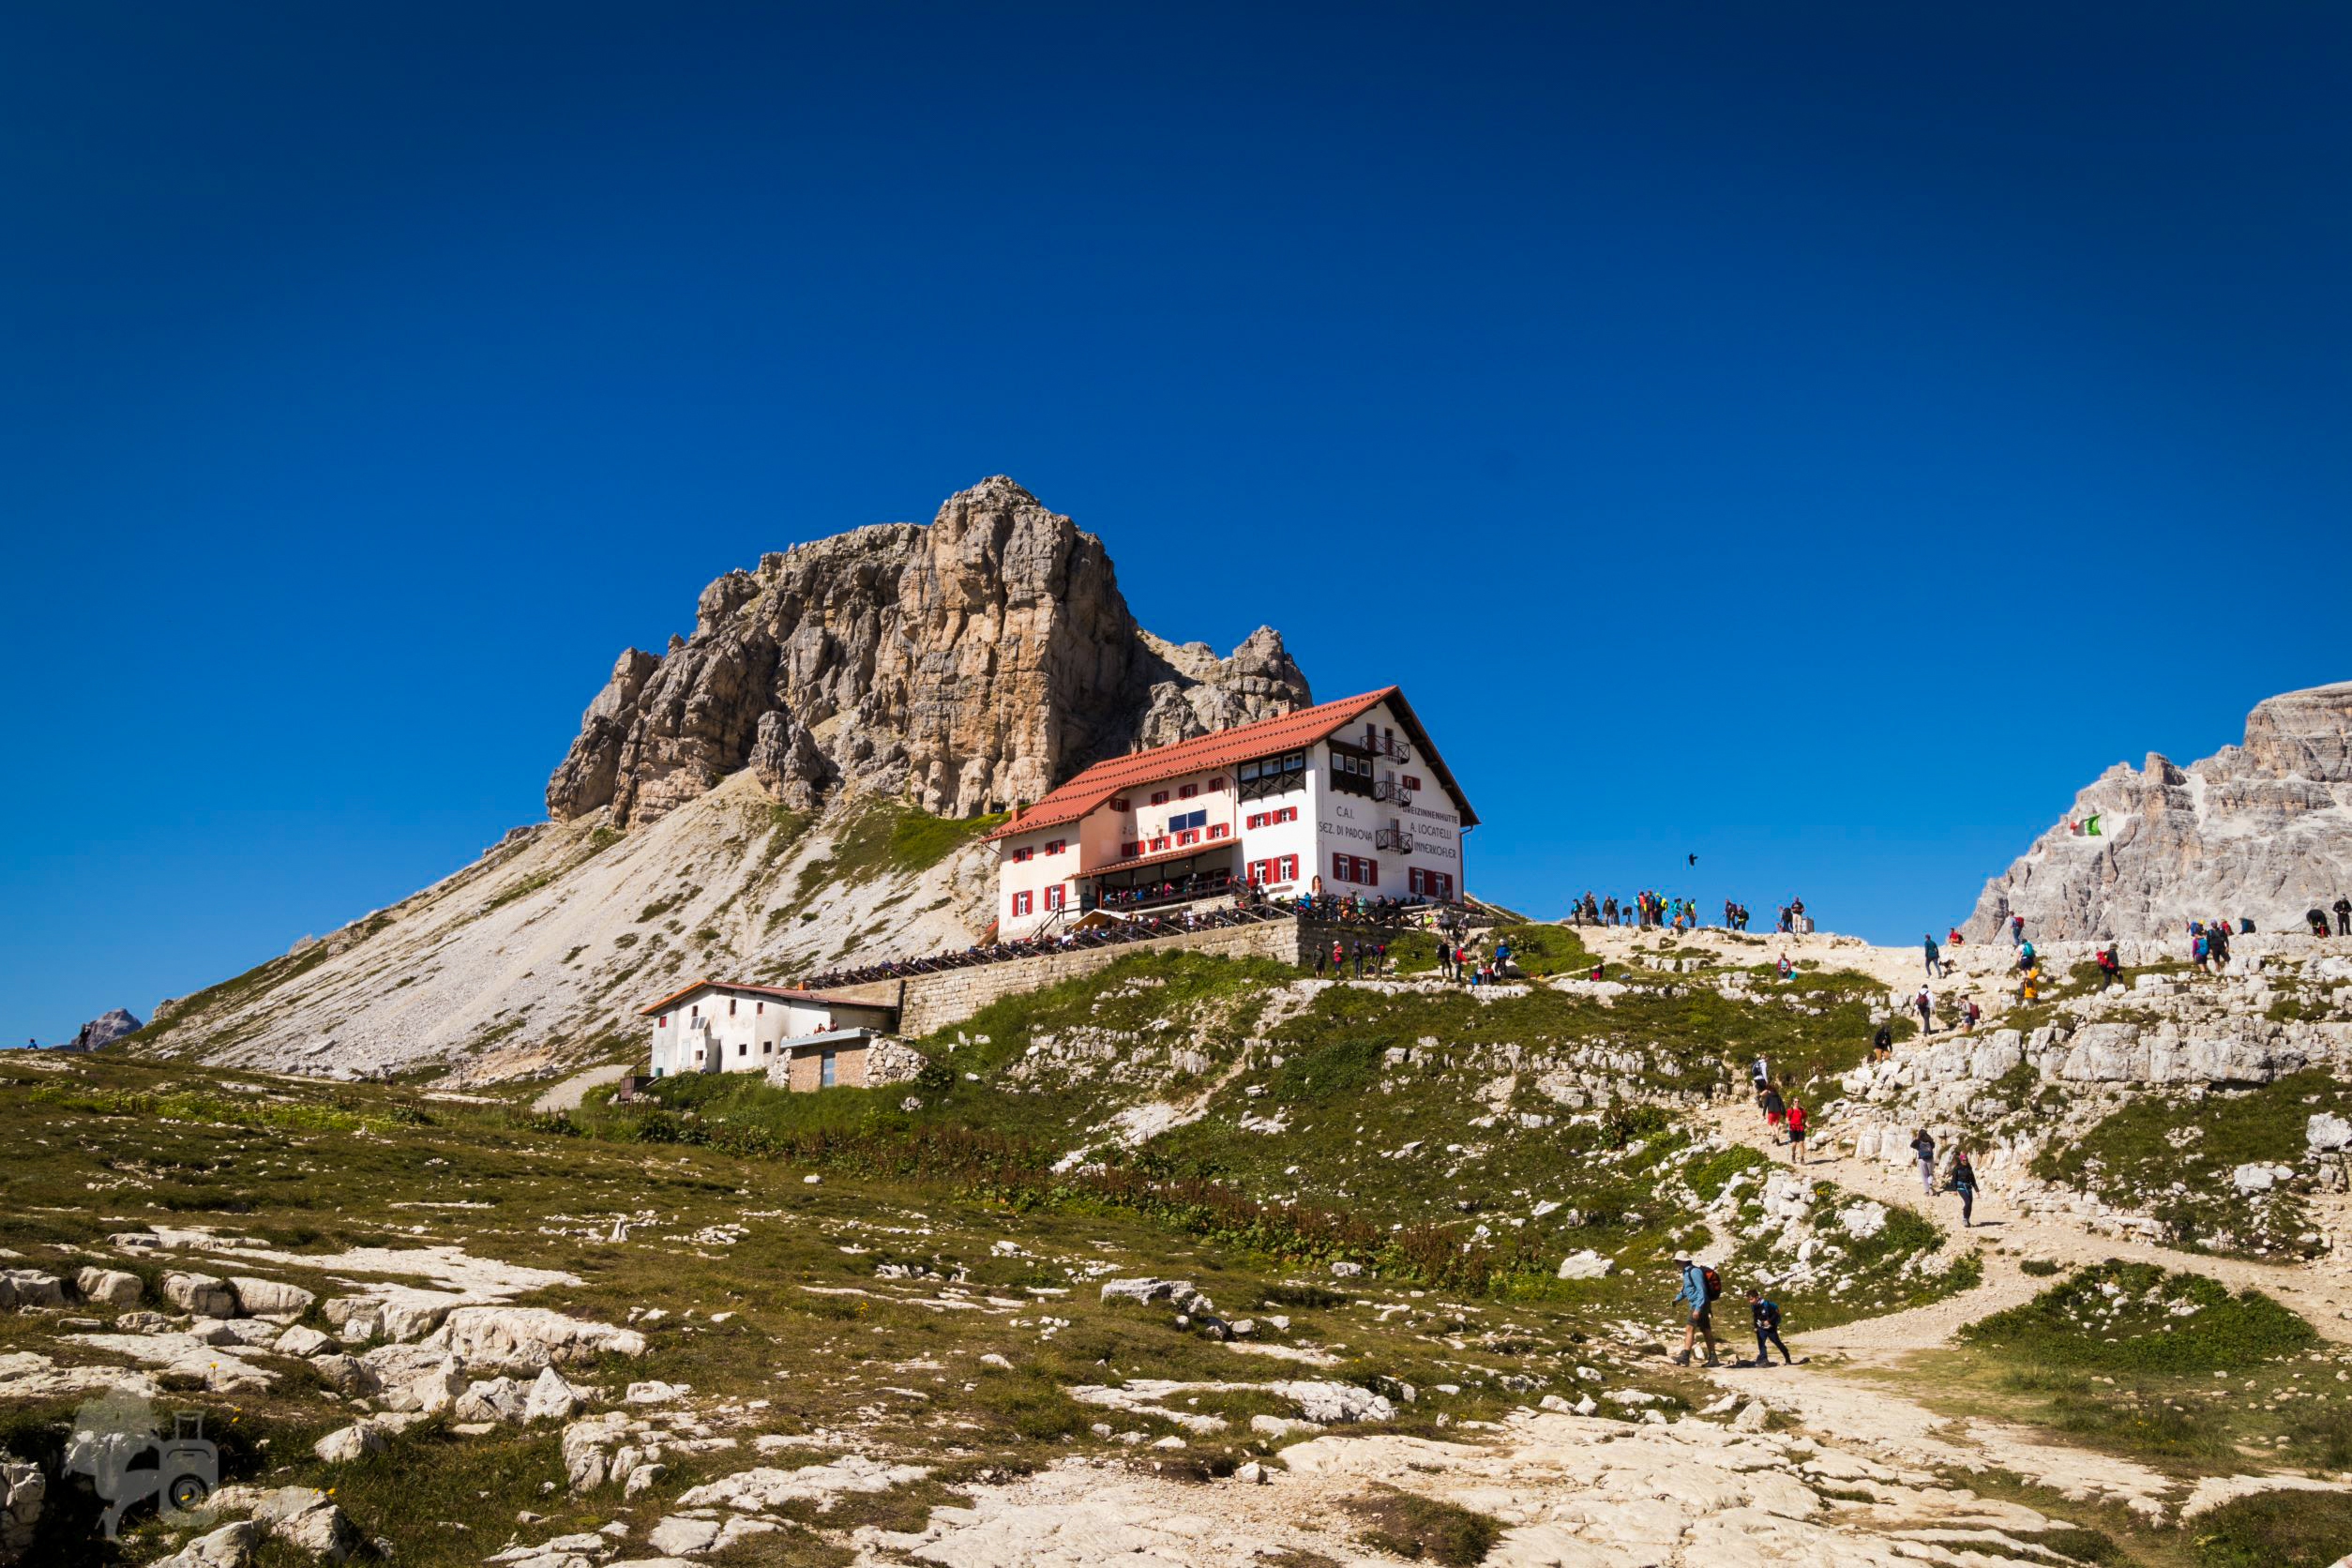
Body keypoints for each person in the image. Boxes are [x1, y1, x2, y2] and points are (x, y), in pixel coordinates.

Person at [1671, 1257, 1720, 1366]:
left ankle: (1685, 1357)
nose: (1676, 1263)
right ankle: (1713, 1358)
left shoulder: (1694, 1272)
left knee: (1689, 1328)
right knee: (1706, 1330)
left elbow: (1701, 1291)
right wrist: (1677, 1299)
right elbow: (1686, 1289)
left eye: (1677, 1261)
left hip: (1699, 1304)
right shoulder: (1687, 1272)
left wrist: (1697, 1309)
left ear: (1683, 1261)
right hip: (1701, 1304)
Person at [1747, 1289, 1793, 1366]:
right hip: (1761, 1328)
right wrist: (1755, 1327)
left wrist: (1769, 1321)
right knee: (1761, 1344)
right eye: (1749, 1300)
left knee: (1778, 1343)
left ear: (1757, 1297)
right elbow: (1755, 1317)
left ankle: (1787, 1359)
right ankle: (1764, 1360)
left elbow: (1776, 1314)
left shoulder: (1767, 1305)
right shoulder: (1754, 1306)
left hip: (1771, 1328)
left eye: (1751, 1299)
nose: (1750, 1301)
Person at [1952, 1150, 1980, 1228]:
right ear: (1961, 1160)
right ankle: (1964, 1219)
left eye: (1966, 1160)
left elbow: (1973, 1180)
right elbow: (1954, 1179)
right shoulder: (1957, 1168)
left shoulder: (1969, 1169)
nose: (1965, 1161)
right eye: (1964, 1160)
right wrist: (1954, 1190)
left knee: (1970, 1204)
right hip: (1961, 1187)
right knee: (1967, 1202)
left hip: (1969, 1187)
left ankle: (1967, 1219)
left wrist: (1977, 1190)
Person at [1910, 1128, 1937, 1196]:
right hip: (1930, 1159)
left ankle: (1927, 1192)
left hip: (1922, 1160)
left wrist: (1917, 1139)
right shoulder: (1929, 1141)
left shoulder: (1918, 1141)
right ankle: (1930, 1186)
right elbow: (1933, 1146)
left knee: (1924, 1176)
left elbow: (1912, 1145)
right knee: (1930, 1174)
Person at [1786, 1097, 1808, 1164]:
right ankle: (1793, 1155)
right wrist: (1788, 1122)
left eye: (1798, 1101)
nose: (1797, 1103)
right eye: (1795, 1101)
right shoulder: (1790, 1110)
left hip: (1800, 1128)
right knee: (1794, 1144)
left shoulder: (1802, 1110)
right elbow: (1787, 1119)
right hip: (1793, 1128)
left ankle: (1802, 1159)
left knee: (1801, 1143)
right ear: (1793, 1102)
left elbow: (1805, 1119)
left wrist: (1807, 1124)